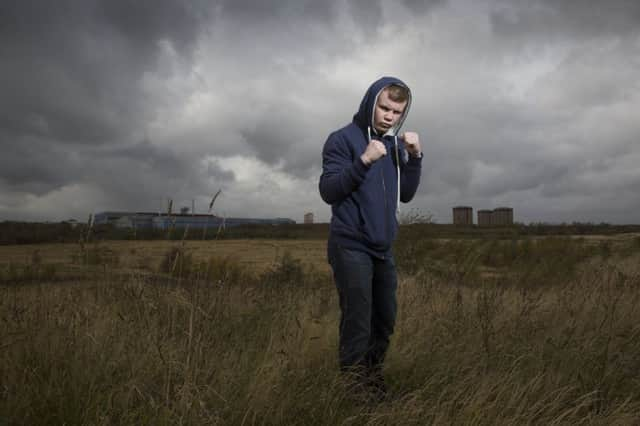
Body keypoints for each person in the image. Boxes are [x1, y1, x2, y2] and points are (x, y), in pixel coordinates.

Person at [319, 76, 422, 398]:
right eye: (384, 107)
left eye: (397, 111)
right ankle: (353, 389)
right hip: (350, 244)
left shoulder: (393, 147)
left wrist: (415, 158)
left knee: (384, 321)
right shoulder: (342, 140)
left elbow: (405, 194)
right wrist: (363, 160)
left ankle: (372, 380)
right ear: (370, 102)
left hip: (382, 247)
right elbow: (328, 191)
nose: (390, 116)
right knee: (358, 321)